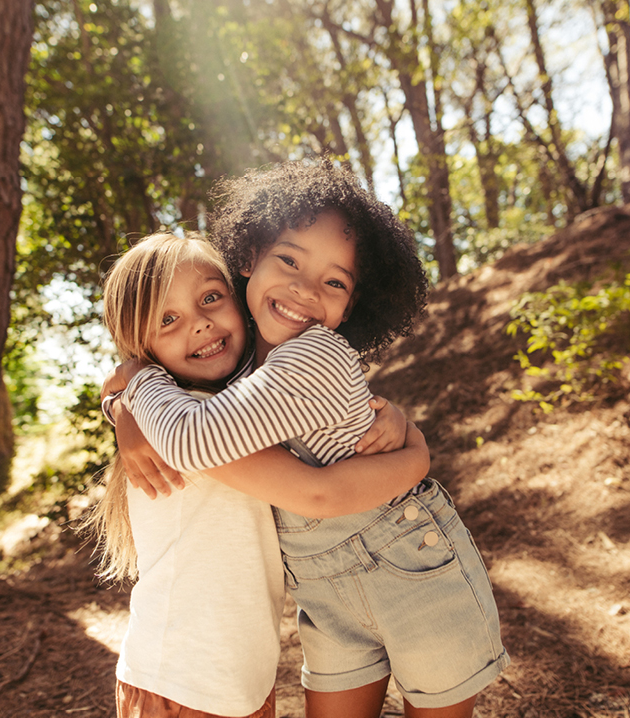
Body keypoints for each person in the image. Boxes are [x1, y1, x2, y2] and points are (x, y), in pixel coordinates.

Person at [113, 160, 509, 718]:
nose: (303, 289)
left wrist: (134, 380)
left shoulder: (313, 352)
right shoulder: (245, 364)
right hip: (325, 590)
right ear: (248, 258)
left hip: (411, 569)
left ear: (354, 305)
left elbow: (195, 440)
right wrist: (121, 403)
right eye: (290, 260)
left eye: (334, 281)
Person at [89, 232, 433, 718]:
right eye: (168, 319)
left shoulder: (230, 412)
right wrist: (417, 454)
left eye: (211, 297)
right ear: (139, 346)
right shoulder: (193, 431)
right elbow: (318, 494)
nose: (201, 324)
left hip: (236, 683)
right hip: (186, 685)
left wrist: (390, 416)